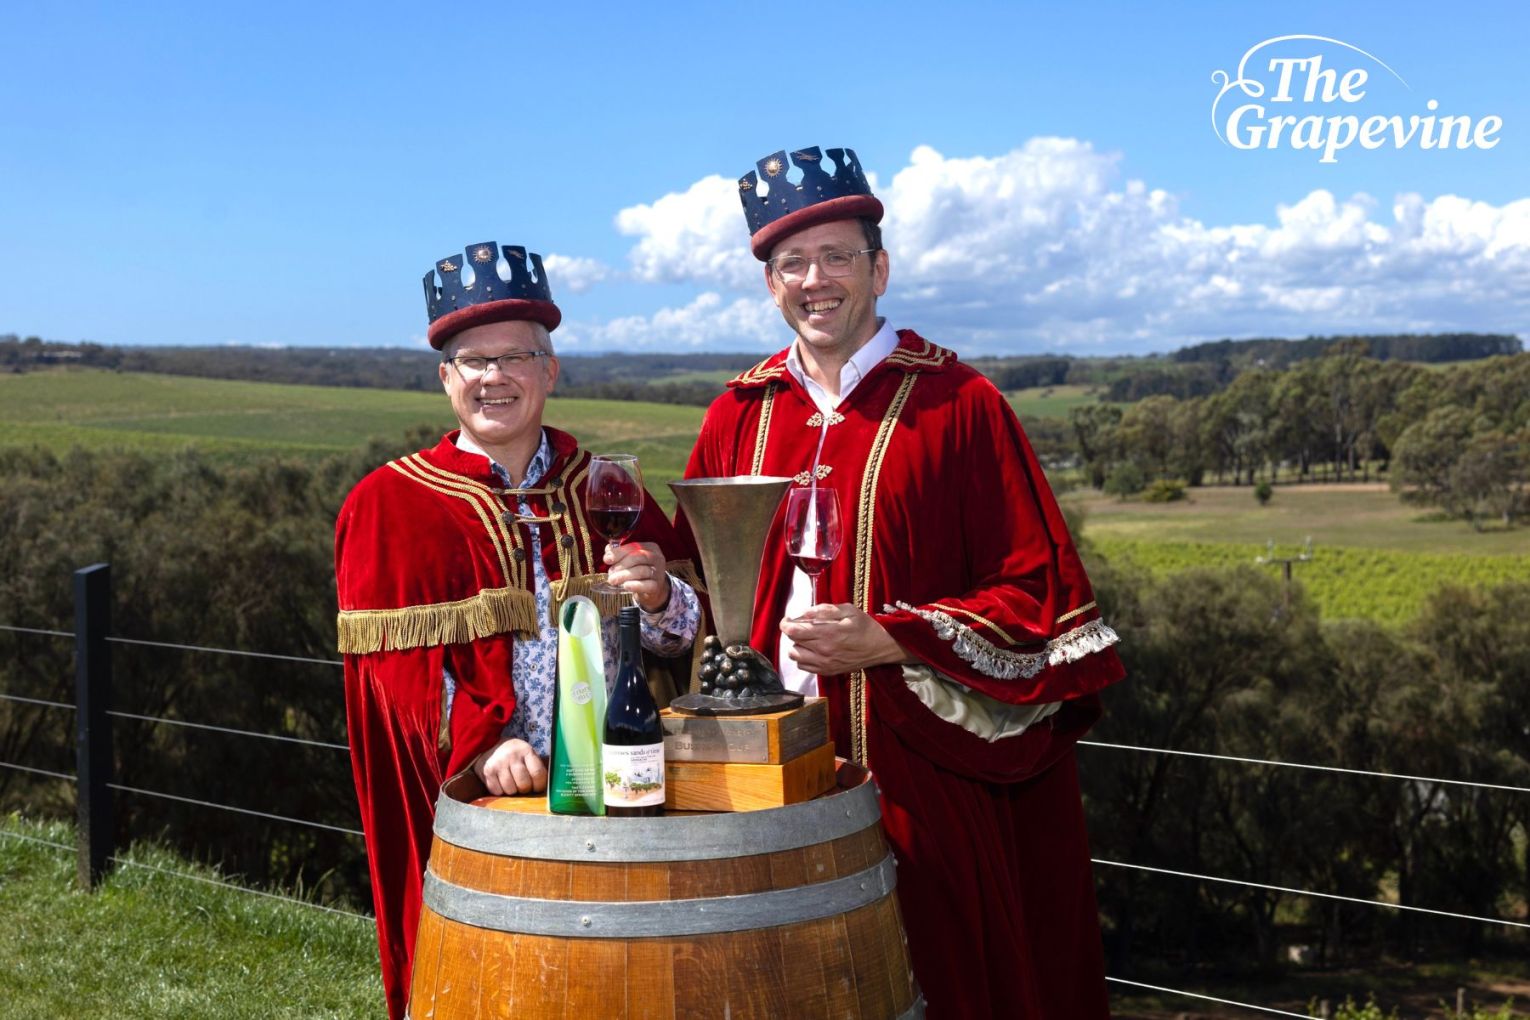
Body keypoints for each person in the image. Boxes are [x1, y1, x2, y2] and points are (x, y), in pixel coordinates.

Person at [680, 147, 1127, 1018]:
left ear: (879, 269)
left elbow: (1041, 605)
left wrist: (890, 636)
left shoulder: (960, 406)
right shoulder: (740, 412)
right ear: (770, 284)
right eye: (791, 264)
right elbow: (693, 583)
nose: (815, 280)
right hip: (762, 782)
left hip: (924, 783)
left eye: (837, 256)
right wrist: (657, 586)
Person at [334, 242, 701, 1020]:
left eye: (516, 357)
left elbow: (690, 641)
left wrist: (665, 596)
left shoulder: (605, 484)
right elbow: (392, 683)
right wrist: (484, 741)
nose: (493, 377)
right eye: (472, 361)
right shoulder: (390, 505)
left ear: (550, 371)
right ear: (446, 378)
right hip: (491, 807)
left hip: (626, 798)